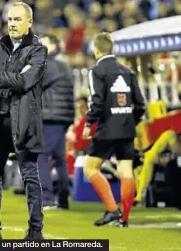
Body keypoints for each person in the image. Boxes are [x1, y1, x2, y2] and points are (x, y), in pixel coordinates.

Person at [0, 2, 47, 239]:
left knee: (29, 175)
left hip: (23, 122)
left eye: (17, 19)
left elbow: (27, 82)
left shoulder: (38, 50)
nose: (13, 24)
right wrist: (14, 77)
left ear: (29, 23)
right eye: (10, 20)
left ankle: (36, 229)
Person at [82, 32, 146, 227]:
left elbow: (97, 101)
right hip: (126, 129)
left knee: (90, 168)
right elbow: (140, 104)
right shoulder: (128, 72)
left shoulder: (97, 71)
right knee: (126, 171)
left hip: (107, 128)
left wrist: (88, 123)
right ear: (113, 49)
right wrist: (129, 121)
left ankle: (112, 210)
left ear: (96, 49)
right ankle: (124, 219)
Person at [37, 34, 75, 210]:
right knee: (60, 159)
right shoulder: (64, 66)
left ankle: (47, 198)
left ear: (52, 46)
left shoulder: (48, 65)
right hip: (63, 116)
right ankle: (63, 198)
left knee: (42, 156)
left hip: (50, 116)